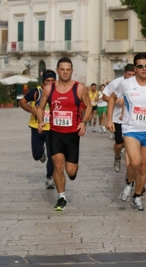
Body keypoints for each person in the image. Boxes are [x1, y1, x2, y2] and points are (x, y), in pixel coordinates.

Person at [106, 53, 146, 211]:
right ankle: (129, 183)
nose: (144, 69)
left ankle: (137, 196)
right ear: (135, 68)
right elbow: (112, 98)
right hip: (131, 129)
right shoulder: (127, 84)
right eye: (140, 66)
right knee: (134, 162)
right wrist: (109, 119)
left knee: (143, 166)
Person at [37, 57, 92, 211]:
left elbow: (89, 106)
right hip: (55, 133)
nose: (65, 72)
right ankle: (61, 197)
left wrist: (84, 122)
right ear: (57, 71)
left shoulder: (79, 88)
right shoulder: (49, 88)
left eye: (68, 69)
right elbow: (40, 107)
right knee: (58, 165)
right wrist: (41, 121)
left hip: (73, 135)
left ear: (72, 71)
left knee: (71, 171)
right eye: (62, 69)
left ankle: (73, 170)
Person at [20, 70, 56, 189]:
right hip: (36, 127)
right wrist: (32, 110)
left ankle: (49, 177)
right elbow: (22, 102)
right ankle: (41, 155)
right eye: (47, 81)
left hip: (52, 128)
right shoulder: (36, 92)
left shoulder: (58, 91)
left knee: (52, 155)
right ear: (43, 82)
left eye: (52, 81)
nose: (50, 83)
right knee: (36, 155)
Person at [103, 64, 135, 173]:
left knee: (129, 145)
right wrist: (116, 101)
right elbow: (105, 96)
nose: (131, 77)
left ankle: (129, 172)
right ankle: (117, 157)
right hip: (118, 119)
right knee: (120, 144)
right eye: (129, 74)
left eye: (133, 75)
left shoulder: (138, 84)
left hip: (132, 120)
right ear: (124, 73)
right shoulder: (117, 82)